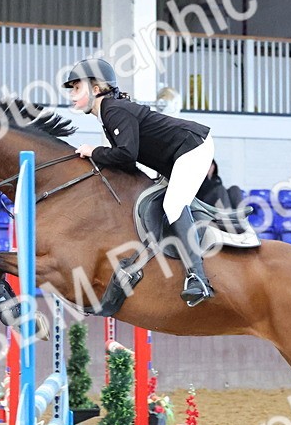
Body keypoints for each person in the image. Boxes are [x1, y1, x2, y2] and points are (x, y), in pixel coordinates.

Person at [64, 57, 215, 306]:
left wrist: (94, 152)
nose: (72, 95)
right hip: (175, 156)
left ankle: (197, 277)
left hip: (193, 147)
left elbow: (126, 156)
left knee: (173, 205)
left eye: (76, 88)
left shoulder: (113, 110)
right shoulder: (108, 112)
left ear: (95, 89)